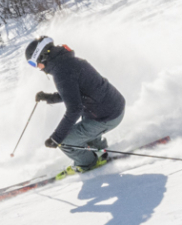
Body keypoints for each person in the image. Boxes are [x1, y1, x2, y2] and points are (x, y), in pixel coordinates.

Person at [25, 36, 126, 171]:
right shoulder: (67, 62)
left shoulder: (61, 72)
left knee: (65, 142)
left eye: (34, 63)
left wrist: (57, 138)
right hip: (111, 106)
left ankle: (88, 163)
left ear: (42, 57)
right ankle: (100, 153)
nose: (37, 68)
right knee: (85, 121)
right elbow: (74, 92)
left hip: (106, 116)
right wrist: (48, 98)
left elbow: (74, 109)